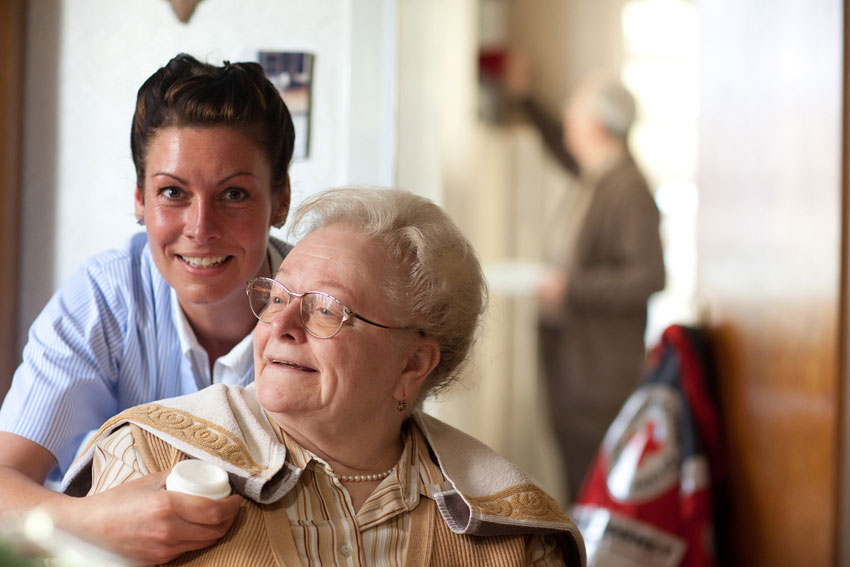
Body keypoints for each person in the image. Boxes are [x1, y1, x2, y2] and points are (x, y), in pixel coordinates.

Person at [64, 187, 587, 566]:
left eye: (327, 309)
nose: (281, 326)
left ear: (413, 365)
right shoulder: (147, 459)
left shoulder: (512, 535)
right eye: (278, 296)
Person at [0, 53, 295, 564]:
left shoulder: (326, 311)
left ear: (281, 199)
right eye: (173, 192)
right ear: (140, 198)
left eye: (234, 193)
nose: (200, 228)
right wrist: (94, 522)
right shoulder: (104, 297)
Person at [507, 64, 666, 501]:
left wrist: (570, 288)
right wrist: (525, 98)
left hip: (598, 376)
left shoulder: (627, 188)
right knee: (578, 478)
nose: (568, 122)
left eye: (573, 112)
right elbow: (558, 143)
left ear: (597, 124)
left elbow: (649, 276)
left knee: (594, 485)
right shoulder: (597, 177)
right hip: (576, 366)